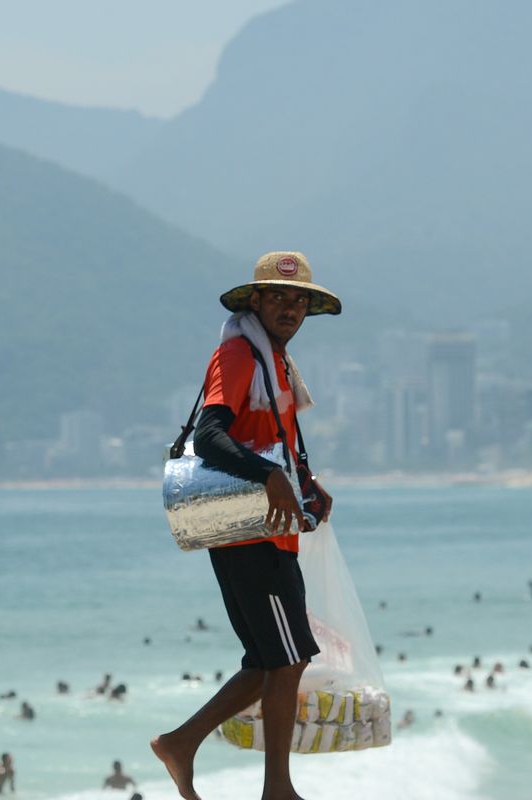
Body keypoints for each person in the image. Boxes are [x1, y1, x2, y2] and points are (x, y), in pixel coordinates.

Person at [153, 252, 339, 800]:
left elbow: (272, 437)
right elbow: (211, 434)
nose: (290, 307)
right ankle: (277, 789)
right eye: (277, 297)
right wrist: (268, 476)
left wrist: (304, 479)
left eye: (299, 299)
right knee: (288, 657)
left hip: (266, 526)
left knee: (271, 658)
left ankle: (181, 743)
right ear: (254, 301)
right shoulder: (238, 355)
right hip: (248, 529)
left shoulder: (274, 361)